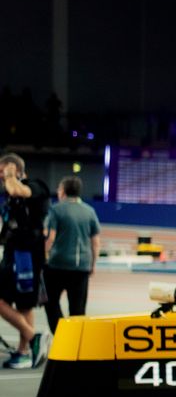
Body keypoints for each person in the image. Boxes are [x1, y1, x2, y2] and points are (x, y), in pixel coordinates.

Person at [0, 153, 49, 367]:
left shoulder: (36, 186)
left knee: (21, 303)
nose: (1, 176)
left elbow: (16, 189)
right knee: (24, 305)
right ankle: (25, 352)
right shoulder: (12, 195)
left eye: (3, 171)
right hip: (14, 253)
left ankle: (32, 337)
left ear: (15, 170)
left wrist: (10, 175)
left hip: (26, 256)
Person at [41, 177, 99, 338]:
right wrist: (93, 264)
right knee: (78, 309)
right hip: (81, 267)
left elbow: (50, 238)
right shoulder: (89, 211)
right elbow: (95, 242)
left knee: (50, 302)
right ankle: (76, 342)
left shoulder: (56, 210)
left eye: (59, 189)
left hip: (57, 265)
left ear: (63, 191)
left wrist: (43, 257)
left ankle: (60, 335)